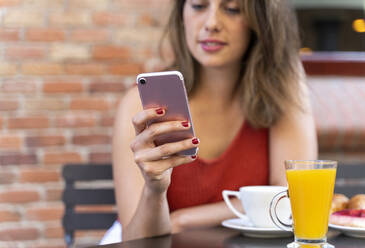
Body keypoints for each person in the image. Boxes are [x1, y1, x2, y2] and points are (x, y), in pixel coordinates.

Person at [100, 0, 317, 244]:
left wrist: (184, 220)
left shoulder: (280, 91)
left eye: (232, 9)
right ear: (182, 15)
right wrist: (154, 190)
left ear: (260, 22)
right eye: (198, 6)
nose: (212, 23)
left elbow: (293, 199)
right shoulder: (141, 105)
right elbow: (137, 241)